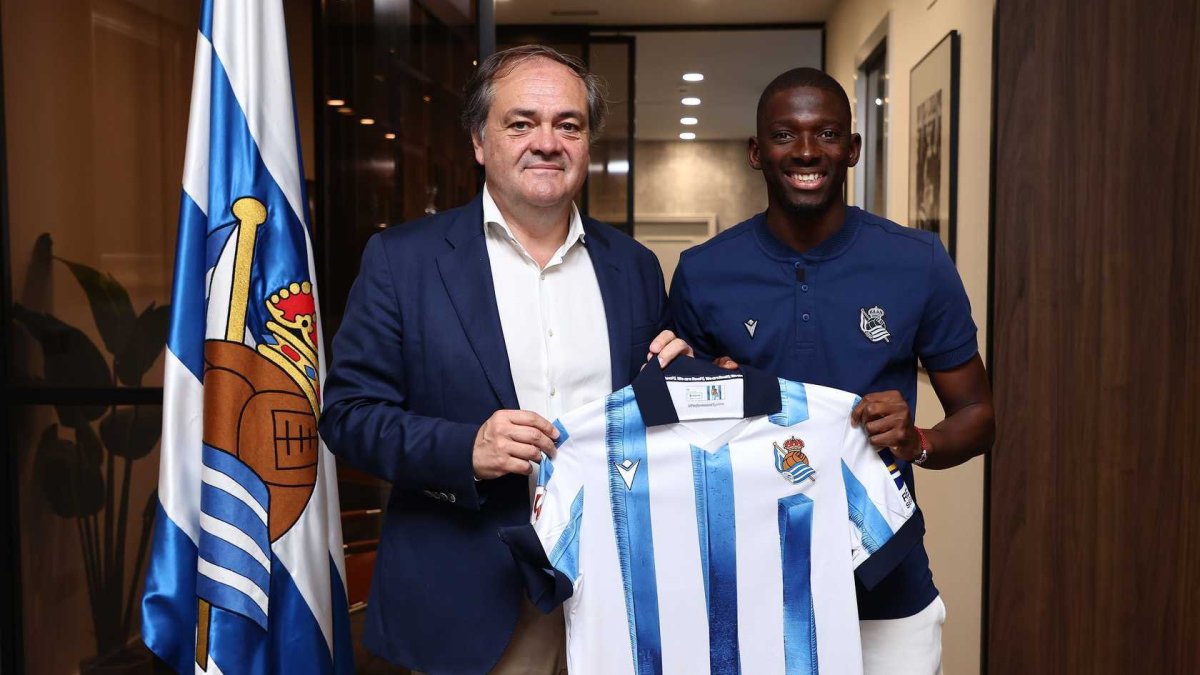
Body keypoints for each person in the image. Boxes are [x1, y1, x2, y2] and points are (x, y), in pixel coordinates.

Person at [319, 45, 691, 674]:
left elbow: (645, 416)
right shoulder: (403, 262)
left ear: (587, 144)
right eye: (521, 123)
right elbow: (349, 417)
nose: (547, 142)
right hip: (467, 599)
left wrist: (680, 382)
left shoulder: (634, 267)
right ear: (479, 142)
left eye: (568, 125)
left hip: (615, 594)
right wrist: (466, 449)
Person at [668, 67, 995, 674]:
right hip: (749, 589)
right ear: (756, 152)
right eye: (784, 135)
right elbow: (672, 432)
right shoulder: (703, 271)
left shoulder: (917, 262)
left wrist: (918, 441)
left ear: (853, 149)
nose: (806, 151)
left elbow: (978, 415)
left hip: (886, 588)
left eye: (826, 133)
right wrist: (710, 392)